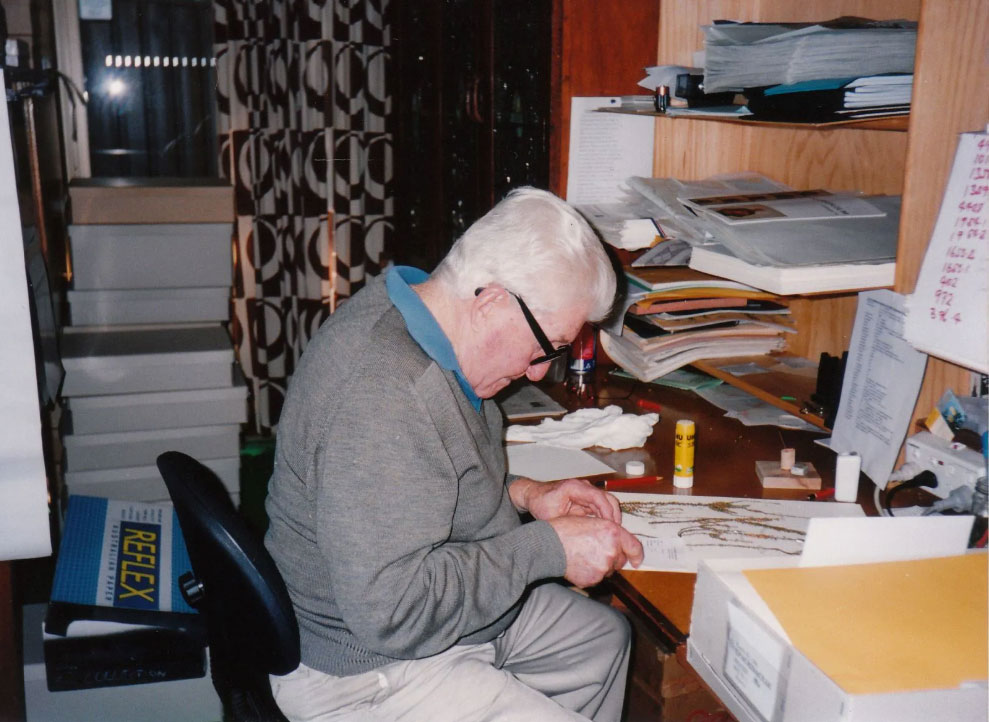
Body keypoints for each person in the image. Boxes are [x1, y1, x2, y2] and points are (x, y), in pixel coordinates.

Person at [264, 187, 645, 721]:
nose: (538, 372)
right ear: (491, 302)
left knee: (601, 637)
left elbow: (422, 484)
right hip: (368, 669)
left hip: (420, 625)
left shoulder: (414, 312)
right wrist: (548, 549)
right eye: (544, 349)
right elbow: (394, 611)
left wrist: (528, 496)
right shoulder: (383, 395)